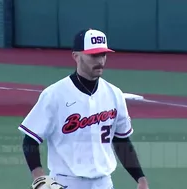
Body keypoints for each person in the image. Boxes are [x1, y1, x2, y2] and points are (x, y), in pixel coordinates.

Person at [18, 28, 149, 189]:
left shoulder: (114, 94)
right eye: (93, 55)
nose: (100, 60)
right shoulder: (54, 95)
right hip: (65, 183)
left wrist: (140, 179)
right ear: (76, 56)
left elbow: (121, 140)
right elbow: (30, 139)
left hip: (104, 183)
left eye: (103, 54)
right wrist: (39, 178)